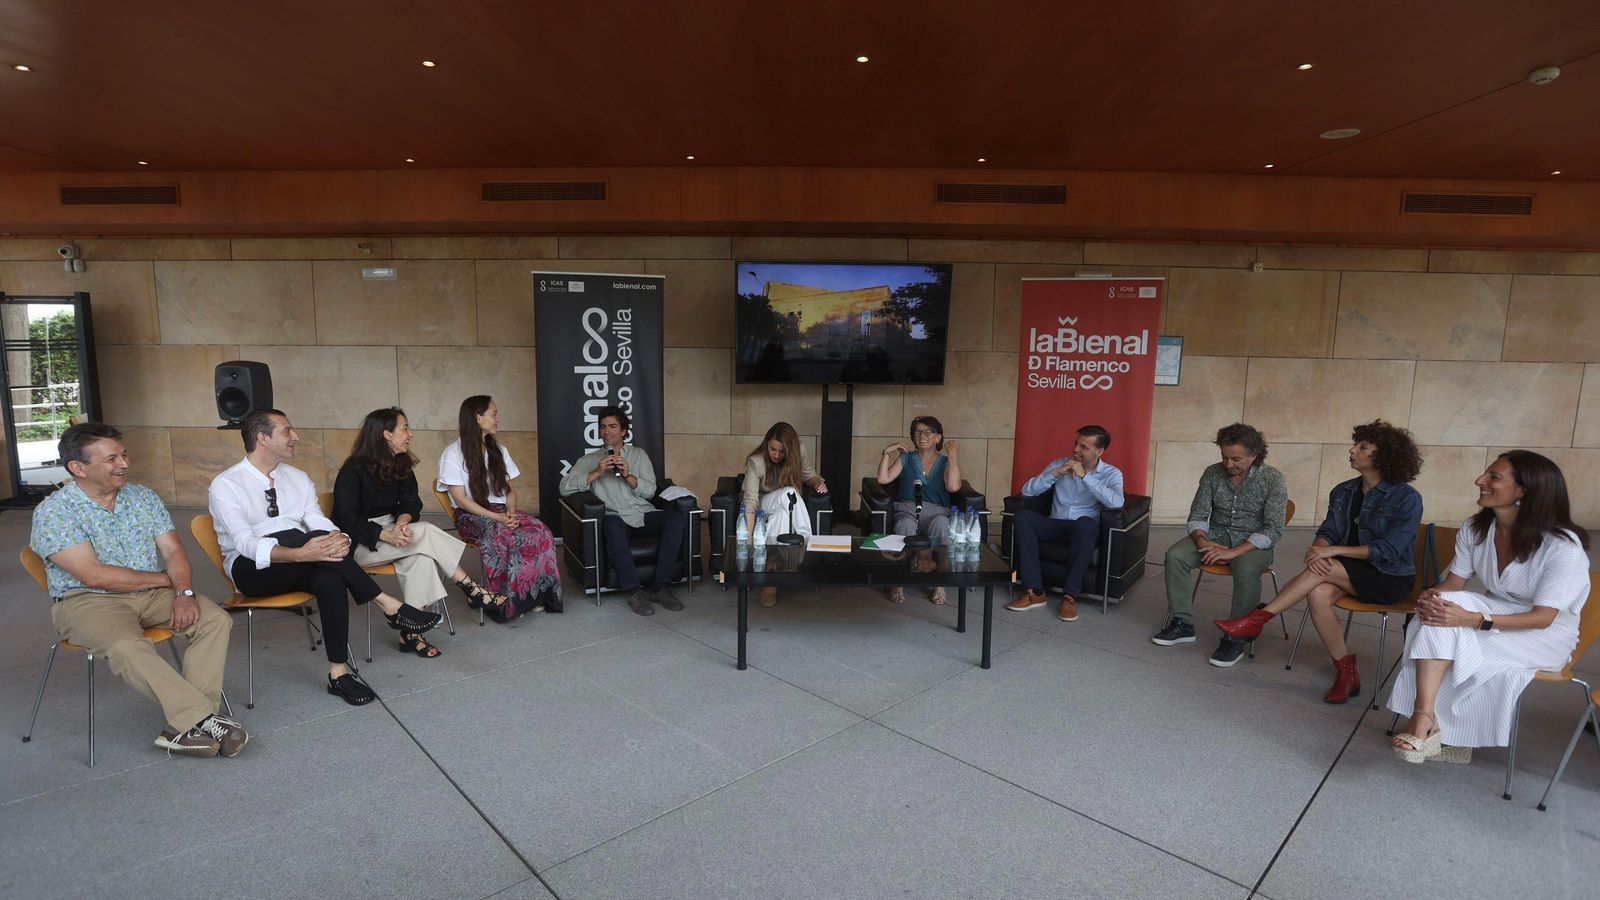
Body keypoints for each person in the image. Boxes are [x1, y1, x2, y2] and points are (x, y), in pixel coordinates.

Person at [30, 423, 247, 758]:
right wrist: (167, 582)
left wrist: (185, 593)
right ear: (78, 467)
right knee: (124, 645)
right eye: (111, 458)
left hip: (150, 592)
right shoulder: (55, 512)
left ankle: (184, 726)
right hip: (86, 601)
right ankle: (202, 717)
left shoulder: (142, 496)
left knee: (214, 620)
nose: (124, 464)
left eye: (124, 454)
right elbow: (94, 576)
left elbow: (174, 552)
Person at [210, 409, 440, 706]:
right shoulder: (226, 484)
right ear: (262, 438)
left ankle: (338, 673)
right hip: (253, 568)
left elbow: (319, 522)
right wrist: (301, 551)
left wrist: (339, 539)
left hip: (306, 558)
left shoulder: (297, 478)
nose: (296, 437)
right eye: (287, 431)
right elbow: (245, 543)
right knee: (308, 540)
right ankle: (389, 604)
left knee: (330, 578)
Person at [1386, 451, 1590, 762]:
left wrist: (1474, 619)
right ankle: (1427, 718)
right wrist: (1432, 596)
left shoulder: (1562, 546)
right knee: (1440, 609)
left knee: (1450, 621)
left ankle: (1428, 725)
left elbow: (1544, 617)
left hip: (1545, 635)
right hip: (1498, 610)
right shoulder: (1476, 528)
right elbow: (1455, 583)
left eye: (1494, 476)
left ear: (1524, 491)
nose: (1479, 480)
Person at [1216, 420, 1424, 699]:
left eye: (1362, 447)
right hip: (1343, 570)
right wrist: (1318, 550)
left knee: (1323, 574)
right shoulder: (1343, 491)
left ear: (1383, 455)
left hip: (1388, 577)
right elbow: (1328, 533)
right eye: (1355, 444)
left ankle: (1258, 618)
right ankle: (1345, 672)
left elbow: (1389, 549)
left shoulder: (1406, 498)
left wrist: (1334, 551)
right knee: (1317, 593)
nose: (1352, 450)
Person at [333, 407, 506, 656]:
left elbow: (412, 503)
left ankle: (410, 634)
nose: (410, 434)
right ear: (386, 435)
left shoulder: (401, 463)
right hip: (361, 542)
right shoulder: (353, 470)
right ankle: (469, 586)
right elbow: (347, 519)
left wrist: (402, 523)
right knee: (425, 530)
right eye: (405, 428)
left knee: (421, 558)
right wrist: (386, 534)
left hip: (395, 532)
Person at [1152, 423, 1289, 666]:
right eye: (1224, 457)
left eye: (1236, 459)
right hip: (1214, 536)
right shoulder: (1212, 473)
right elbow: (1198, 514)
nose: (1228, 464)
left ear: (1254, 454)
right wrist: (1203, 541)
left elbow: (1273, 530)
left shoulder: (1273, 479)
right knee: (1175, 555)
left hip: (1253, 543)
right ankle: (1182, 623)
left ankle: (1234, 637)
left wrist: (1232, 552)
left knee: (1246, 569)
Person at [436, 395, 562, 619]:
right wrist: (498, 519)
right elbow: (462, 500)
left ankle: (533, 596)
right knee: (503, 535)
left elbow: (509, 490)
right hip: (470, 515)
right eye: (494, 414)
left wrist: (510, 512)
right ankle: (503, 602)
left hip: (501, 511)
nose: (498, 418)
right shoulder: (453, 454)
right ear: (477, 418)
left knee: (541, 532)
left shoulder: (499, 450)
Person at [559, 405, 686, 616]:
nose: (606, 431)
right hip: (614, 516)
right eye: (602, 427)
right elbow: (564, 487)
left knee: (674, 518)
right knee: (612, 524)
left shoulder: (639, 455)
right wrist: (596, 472)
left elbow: (650, 491)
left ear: (624, 431)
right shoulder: (589, 460)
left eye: (612, 426)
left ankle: (660, 587)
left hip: (641, 513)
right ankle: (634, 591)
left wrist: (628, 474)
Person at [1004, 425, 1124, 623]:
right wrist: (1056, 474)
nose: (1076, 449)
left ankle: (1069, 597)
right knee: (1023, 517)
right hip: (1056, 524)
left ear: (1099, 451)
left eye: (1084, 447)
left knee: (1085, 525)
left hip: (1083, 529)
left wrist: (1086, 478)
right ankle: (1034, 591)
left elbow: (1117, 502)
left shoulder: (1112, 474)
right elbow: (1027, 491)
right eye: (1076, 443)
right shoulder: (1059, 464)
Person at [876, 415, 963, 605]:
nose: (921, 436)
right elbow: (883, 479)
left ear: (938, 437)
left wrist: (953, 456)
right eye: (917, 432)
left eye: (927, 432)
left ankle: (938, 583)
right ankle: (898, 582)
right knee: (905, 524)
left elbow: (954, 487)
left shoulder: (946, 462)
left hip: (936, 511)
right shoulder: (907, 458)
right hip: (907, 509)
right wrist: (886, 453)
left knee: (941, 524)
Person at [741, 421, 828, 607]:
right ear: (767, 444)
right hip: (763, 507)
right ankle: (806, 547)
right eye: (773, 449)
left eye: (782, 452)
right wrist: (748, 540)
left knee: (782, 512)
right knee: (789, 492)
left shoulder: (799, 449)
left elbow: (809, 474)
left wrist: (818, 482)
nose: (777, 455)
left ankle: (770, 580)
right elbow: (749, 503)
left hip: (788, 509)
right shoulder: (755, 461)